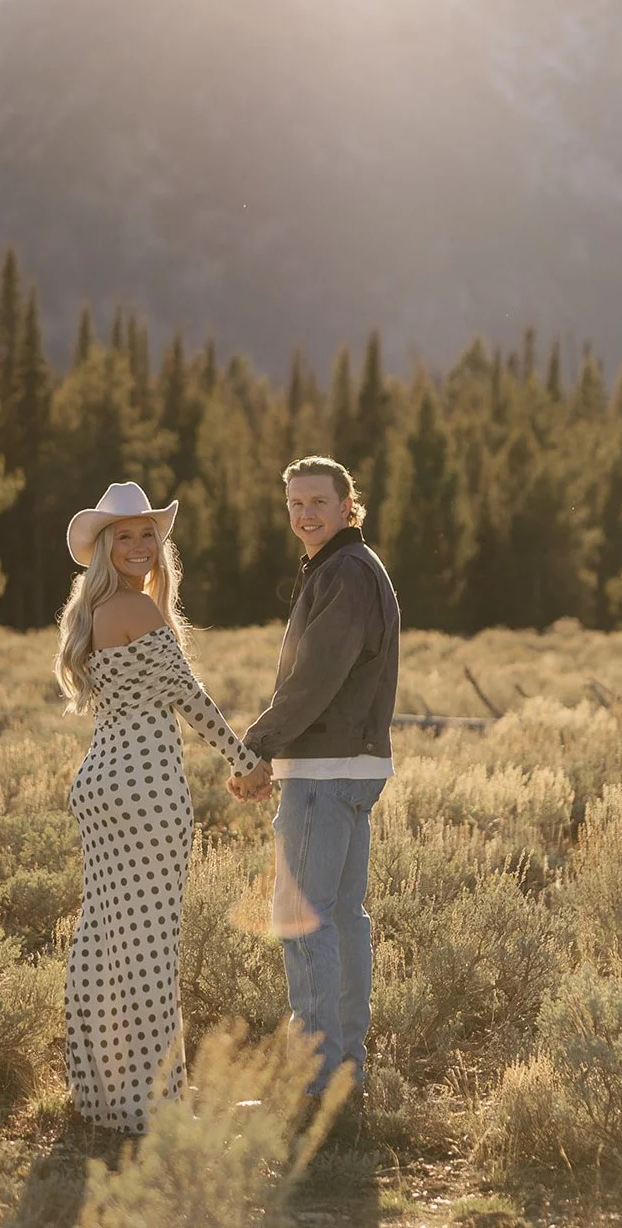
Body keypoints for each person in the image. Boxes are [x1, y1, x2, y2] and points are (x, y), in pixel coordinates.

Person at [54, 481, 271, 1135]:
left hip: (99, 787)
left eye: (149, 533)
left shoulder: (93, 615)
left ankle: (100, 1097)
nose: (141, 545)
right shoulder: (140, 613)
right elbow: (190, 698)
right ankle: (154, 1108)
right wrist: (245, 762)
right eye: (127, 536)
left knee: (103, 944)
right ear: (105, 547)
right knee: (148, 951)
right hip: (147, 793)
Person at [229, 456, 400, 1112]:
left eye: (318, 502)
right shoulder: (346, 568)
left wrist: (257, 747)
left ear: (347, 504)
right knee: (343, 919)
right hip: (350, 769)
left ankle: (316, 1083)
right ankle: (342, 1076)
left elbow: (316, 677)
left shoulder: (345, 573)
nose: (305, 513)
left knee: (303, 921)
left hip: (326, 773)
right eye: (295, 503)